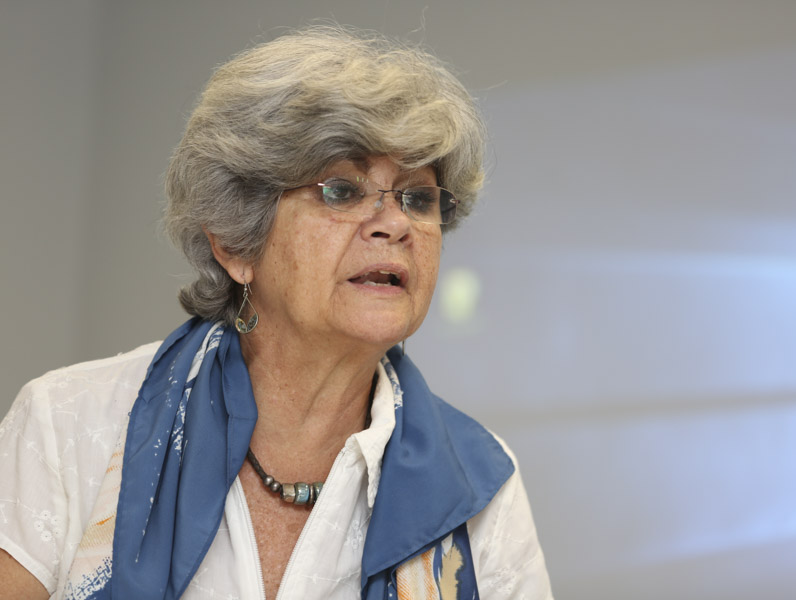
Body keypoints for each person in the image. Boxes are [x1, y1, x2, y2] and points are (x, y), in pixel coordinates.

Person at [0, 26, 552, 599]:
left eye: (418, 197)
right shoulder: (69, 426)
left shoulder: (479, 487)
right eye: (342, 190)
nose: (395, 224)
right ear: (236, 243)